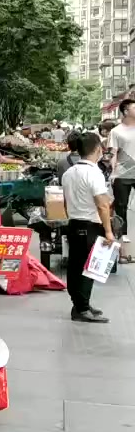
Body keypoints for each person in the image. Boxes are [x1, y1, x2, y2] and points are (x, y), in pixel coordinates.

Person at [62, 132, 113, 323]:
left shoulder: (69, 172)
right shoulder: (94, 173)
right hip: (90, 224)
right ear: (98, 149)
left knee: (75, 266)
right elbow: (102, 204)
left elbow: (66, 202)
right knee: (89, 268)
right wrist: (108, 231)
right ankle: (82, 308)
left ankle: (80, 304)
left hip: (74, 223)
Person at [109, 99, 135, 243]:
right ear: (126, 111)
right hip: (122, 174)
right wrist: (113, 172)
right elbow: (113, 153)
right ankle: (122, 234)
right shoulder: (116, 131)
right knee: (121, 206)